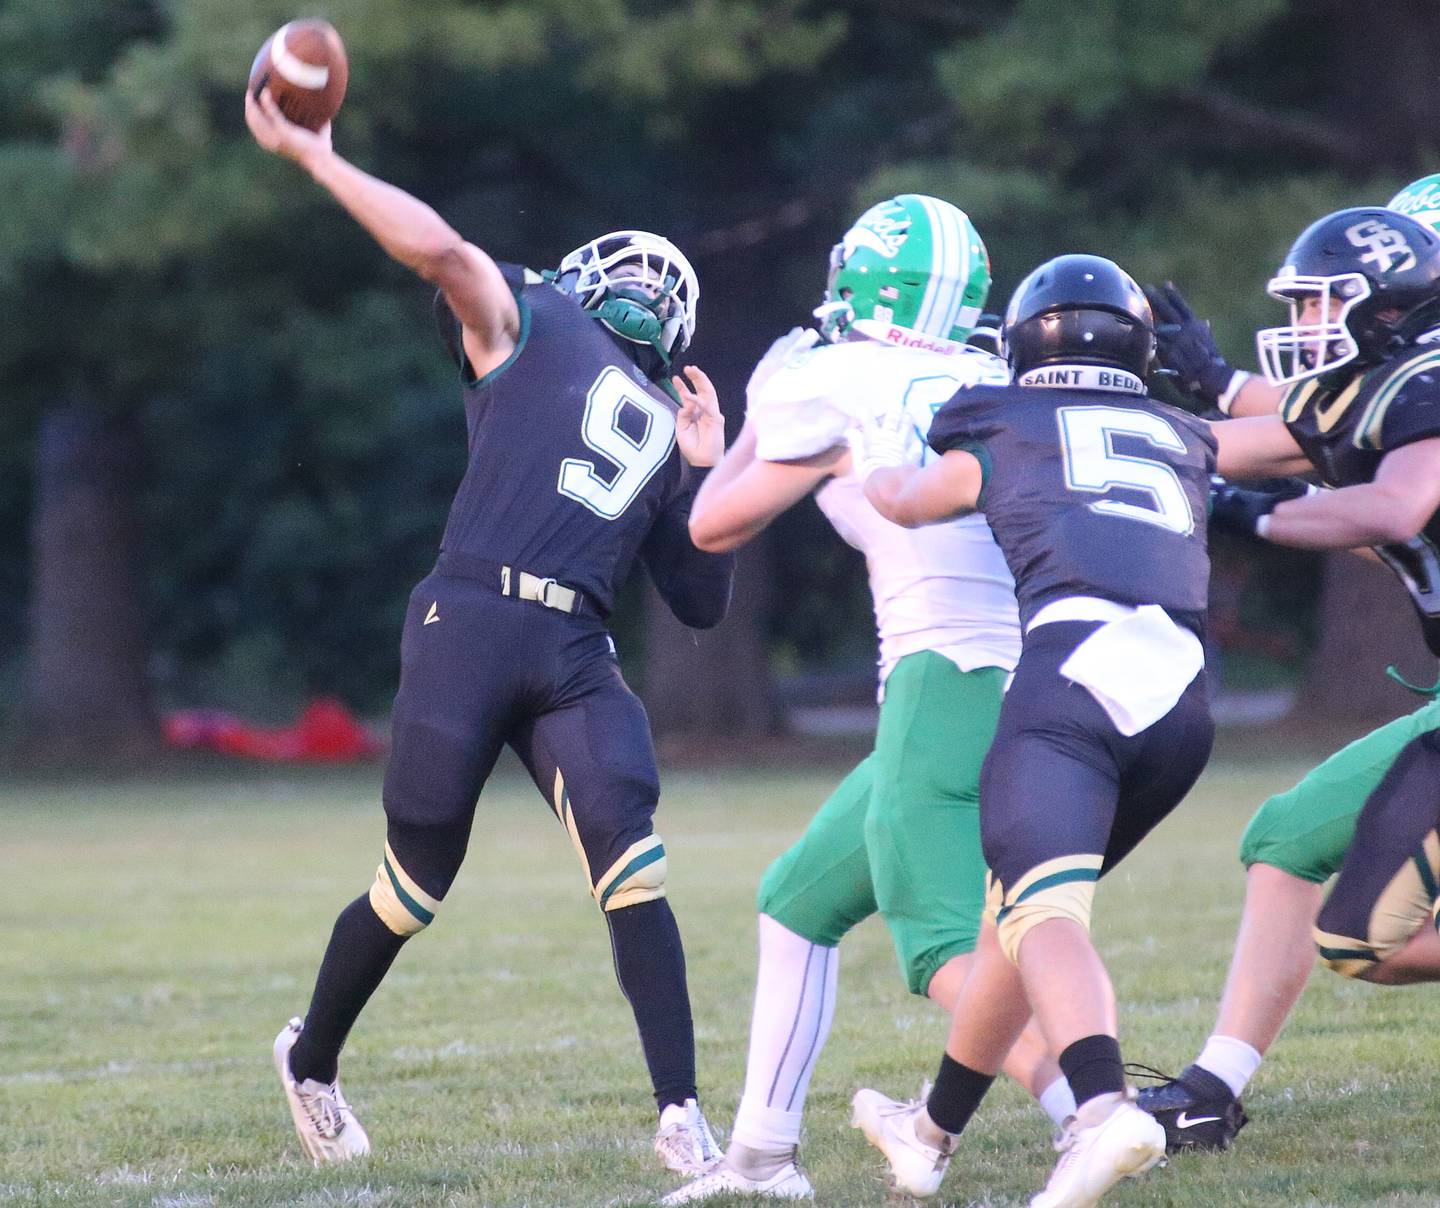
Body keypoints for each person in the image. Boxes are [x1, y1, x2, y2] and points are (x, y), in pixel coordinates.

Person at [244, 86, 735, 1175]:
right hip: (469, 615)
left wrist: (706, 470)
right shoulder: (532, 322)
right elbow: (446, 252)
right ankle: (311, 1055)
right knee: (414, 882)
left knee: (633, 857)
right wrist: (323, 161)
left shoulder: (660, 428)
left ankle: (681, 1111)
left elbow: (699, 599)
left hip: (574, 652)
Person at [657, 195, 1070, 1203]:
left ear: (864, 281)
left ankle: (1093, 1110)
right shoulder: (990, 373)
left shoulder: (840, 376)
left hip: (944, 682)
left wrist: (758, 411)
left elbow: (712, 523)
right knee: (797, 899)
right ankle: (759, 1157)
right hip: (1032, 679)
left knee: (939, 948)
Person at [851, 254, 1217, 1206]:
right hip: (1183, 695)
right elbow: (1271, 448)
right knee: (1010, 914)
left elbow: (907, 504)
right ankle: (927, 1135)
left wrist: (882, 458)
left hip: (1069, 671)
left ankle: (1102, 1111)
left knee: (1043, 916)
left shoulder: (1000, 416)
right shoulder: (1182, 431)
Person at [1132, 205, 1440, 1152]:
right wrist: (1075, 430)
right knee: (1342, 918)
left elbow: (1394, 504)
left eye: (1320, 302)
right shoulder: (1375, 387)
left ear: (1386, 307)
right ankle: (1212, 1090)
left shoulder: (1425, 385)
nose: (1304, 321)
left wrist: (1249, 518)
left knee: (1361, 932)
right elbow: (1237, 441)